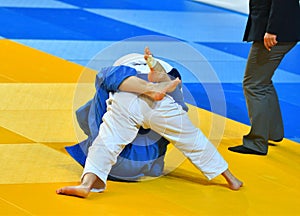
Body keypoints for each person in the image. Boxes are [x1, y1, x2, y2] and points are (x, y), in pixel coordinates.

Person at [57, 48, 243, 198]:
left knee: (106, 140)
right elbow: (176, 91)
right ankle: (231, 178)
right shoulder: (168, 70)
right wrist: (156, 70)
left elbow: (94, 111)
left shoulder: (118, 70)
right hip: (162, 103)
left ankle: (87, 184)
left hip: (126, 99)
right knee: (192, 139)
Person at [228, 0, 300, 155]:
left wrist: (273, 30)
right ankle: (272, 133)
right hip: (278, 28)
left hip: (275, 32)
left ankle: (256, 143)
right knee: (262, 82)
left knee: (254, 84)